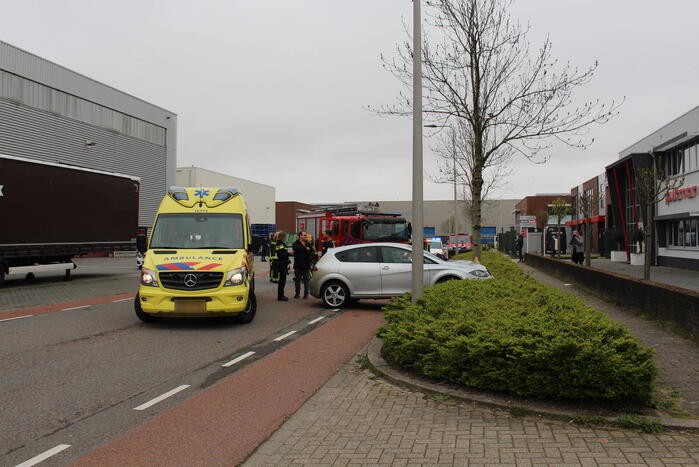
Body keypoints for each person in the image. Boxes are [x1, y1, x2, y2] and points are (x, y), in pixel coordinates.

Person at [292, 231, 314, 299]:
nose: (305, 236)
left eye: (305, 235)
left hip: (306, 265)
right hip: (298, 265)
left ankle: (306, 294)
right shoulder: (296, 243)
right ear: (300, 236)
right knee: (297, 281)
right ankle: (297, 294)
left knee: (306, 281)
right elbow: (296, 248)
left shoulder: (308, 243)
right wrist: (305, 248)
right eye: (304, 235)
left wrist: (310, 259)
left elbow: (312, 251)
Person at [275, 231, 291, 300]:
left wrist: (288, 253)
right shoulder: (279, 244)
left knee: (283, 280)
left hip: (283, 263)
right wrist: (288, 253)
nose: (285, 238)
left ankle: (281, 295)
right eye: (285, 237)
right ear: (282, 237)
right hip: (282, 263)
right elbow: (281, 254)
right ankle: (280, 296)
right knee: (282, 280)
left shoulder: (281, 243)